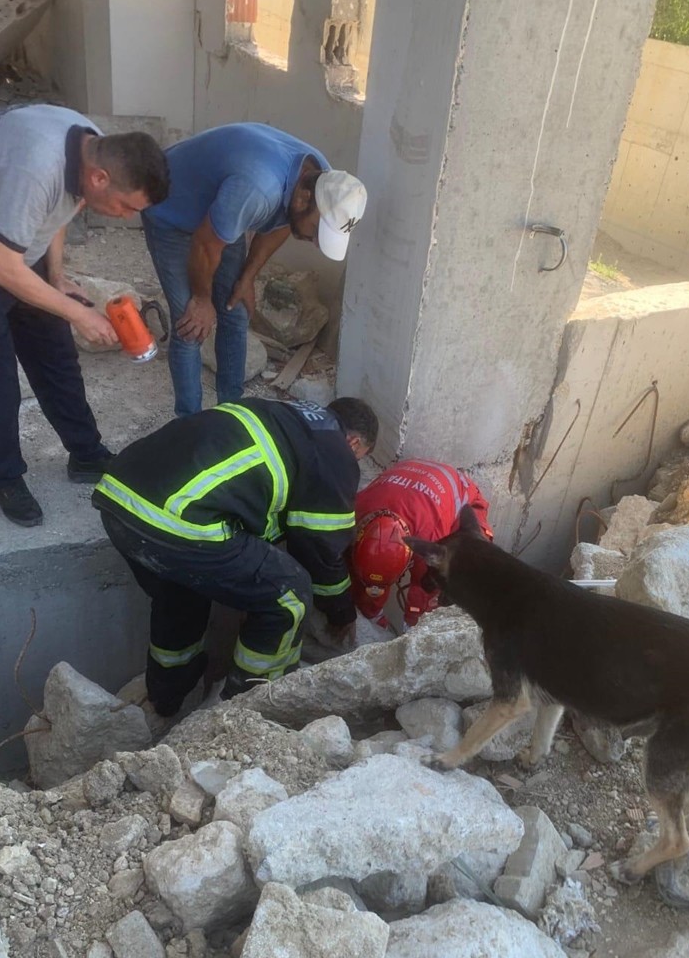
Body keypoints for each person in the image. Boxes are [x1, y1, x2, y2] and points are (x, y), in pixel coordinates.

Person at [0, 104, 169, 527]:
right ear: (101, 178)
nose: (127, 217)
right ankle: (6, 477)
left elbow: (57, 209)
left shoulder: (90, 145)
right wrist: (81, 317)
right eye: (125, 206)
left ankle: (86, 454)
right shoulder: (37, 165)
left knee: (55, 354)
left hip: (6, 241)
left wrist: (57, 278)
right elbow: (0, 267)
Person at [93, 396, 378, 716]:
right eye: (360, 457)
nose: (355, 464)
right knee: (288, 593)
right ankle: (249, 711)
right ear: (353, 442)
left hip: (119, 500)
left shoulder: (281, 411)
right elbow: (321, 549)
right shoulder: (335, 451)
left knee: (181, 596)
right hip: (178, 521)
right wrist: (341, 612)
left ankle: (165, 698)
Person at [140, 123, 367, 418]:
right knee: (190, 325)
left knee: (235, 311)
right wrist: (201, 299)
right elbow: (205, 245)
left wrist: (248, 277)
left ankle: (232, 413)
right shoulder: (258, 188)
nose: (314, 242)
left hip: (219, 212)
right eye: (315, 232)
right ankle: (190, 425)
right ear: (303, 199)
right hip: (170, 207)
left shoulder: (321, 177)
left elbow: (285, 222)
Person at [349, 460, 492, 629]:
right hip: (414, 475)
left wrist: (412, 625)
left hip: (463, 498)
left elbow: (422, 589)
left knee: (465, 560)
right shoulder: (357, 508)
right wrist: (373, 615)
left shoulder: (429, 537)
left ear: (410, 553)